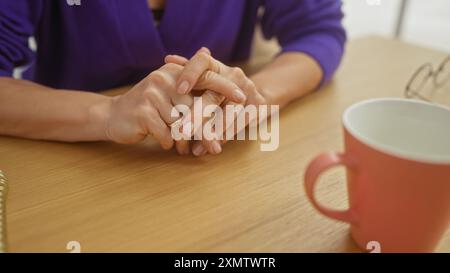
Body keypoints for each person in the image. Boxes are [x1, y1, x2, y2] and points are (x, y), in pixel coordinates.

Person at [0, 0, 346, 156]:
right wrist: (107, 113)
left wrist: (250, 96)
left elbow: (318, 30)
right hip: (66, 166)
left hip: (215, 174)